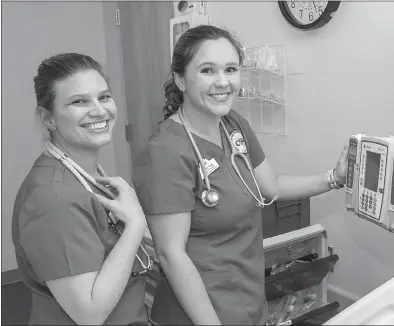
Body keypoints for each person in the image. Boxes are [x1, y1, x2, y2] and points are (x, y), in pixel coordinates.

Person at [132, 25, 348, 325]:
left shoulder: (233, 124)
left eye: (231, 69)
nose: (223, 82)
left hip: (246, 297)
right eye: (207, 70)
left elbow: (270, 187)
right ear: (180, 79)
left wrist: (334, 178)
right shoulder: (166, 151)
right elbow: (171, 256)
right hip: (199, 312)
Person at [12, 53, 151, 325]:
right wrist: (134, 225)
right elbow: (89, 313)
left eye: (104, 97)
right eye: (79, 102)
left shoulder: (87, 176)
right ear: (48, 119)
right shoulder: (52, 199)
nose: (99, 110)